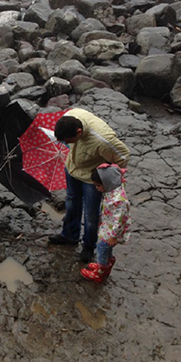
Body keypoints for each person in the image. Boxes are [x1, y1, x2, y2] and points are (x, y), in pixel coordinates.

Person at [49, 108, 130, 263]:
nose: (66, 144)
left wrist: (103, 176)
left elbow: (123, 156)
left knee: (91, 214)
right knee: (71, 201)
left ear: (79, 132)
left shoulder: (103, 140)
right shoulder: (68, 117)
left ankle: (88, 246)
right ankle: (69, 235)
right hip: (72, 168)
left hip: (91, 178)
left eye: (68, 141)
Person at [80, 164, 131, 283]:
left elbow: (120, 219)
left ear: (107, 183)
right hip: (108, 226)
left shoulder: (119, 200)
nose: (97, 188)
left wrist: (114, 235)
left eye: (98, 186)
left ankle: (100, 271)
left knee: (102, 248)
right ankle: (107, 263)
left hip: (111, 231)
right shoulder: (112, 190)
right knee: (106, 248)